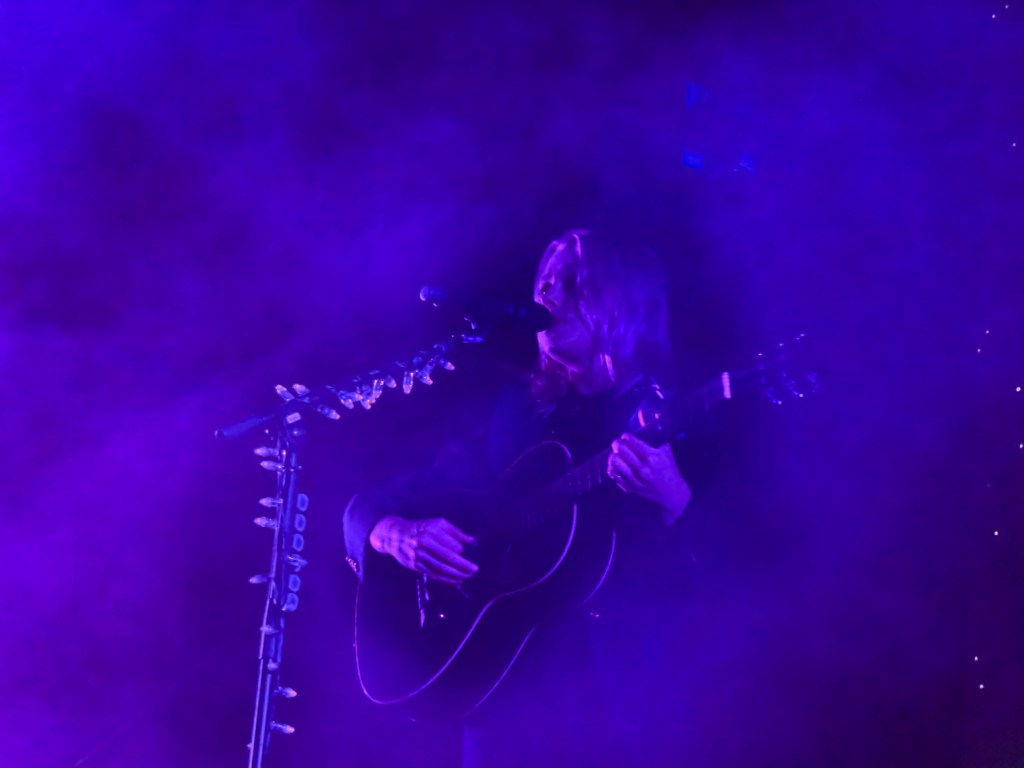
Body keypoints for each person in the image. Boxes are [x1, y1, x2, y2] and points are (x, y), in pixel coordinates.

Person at [344, 229, 694, 767]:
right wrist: (394, 534)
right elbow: (374, 505)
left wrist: (676, 502)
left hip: (623, 712)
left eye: (572, 280)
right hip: (504, 713)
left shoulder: (666, 419)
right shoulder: (514, 415)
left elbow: (735, 588)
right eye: (543, 280)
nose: (545, 292)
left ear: (623, 298)